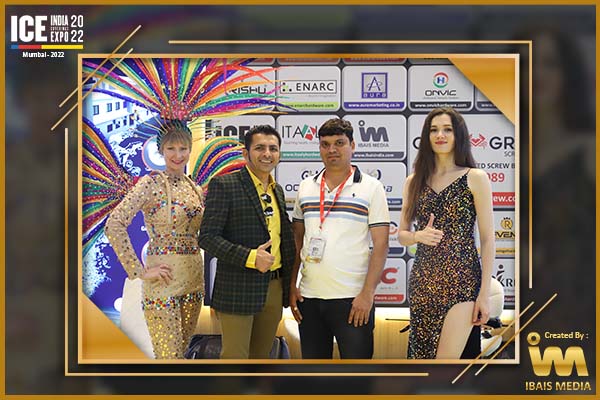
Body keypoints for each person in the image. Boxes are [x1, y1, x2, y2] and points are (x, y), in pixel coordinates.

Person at [397, 107, 494, 359]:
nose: (440, 135)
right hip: (423, 281)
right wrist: (417, 236)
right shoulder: (413, 181)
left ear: (457, 135)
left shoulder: (475, 178)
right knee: (422, 360)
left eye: (447, 129)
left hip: (462, 281)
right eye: (434, 130)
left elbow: (487, 239)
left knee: (445, 365)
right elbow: (402, 234)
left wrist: (484, 295)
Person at [290, 118, 390, 359]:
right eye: (325, 144)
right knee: (314, 376)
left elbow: (381, 245)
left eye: (339, 143)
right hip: (309, 297)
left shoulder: (371, 187)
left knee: (356, 375)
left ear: (352, 145)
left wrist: (367, 294)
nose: (332, 150)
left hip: (353, 299)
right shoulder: (306, 186)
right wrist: (292, 286)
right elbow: (297, 241)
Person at [105, 121, 205, 359]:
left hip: (193, 282)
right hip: (163, 284)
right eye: (171, 148)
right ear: (161, 150)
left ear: (190, 149)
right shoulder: (150, 184)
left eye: (183, 148)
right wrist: (139, 271)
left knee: (180, 355)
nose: (178, 155)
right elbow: (114, 223)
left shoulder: (195, 188)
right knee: (168, 357)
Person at [198, 125, 296, 359]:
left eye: (273, 148)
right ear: (246, 153)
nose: (267, 154)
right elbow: (207, 237)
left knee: (261, 359)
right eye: (260, 148)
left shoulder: (277, 190)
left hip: (275, 286)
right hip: (238, 287)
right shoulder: (225, 185)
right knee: (235, 360)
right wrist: (250, 257)